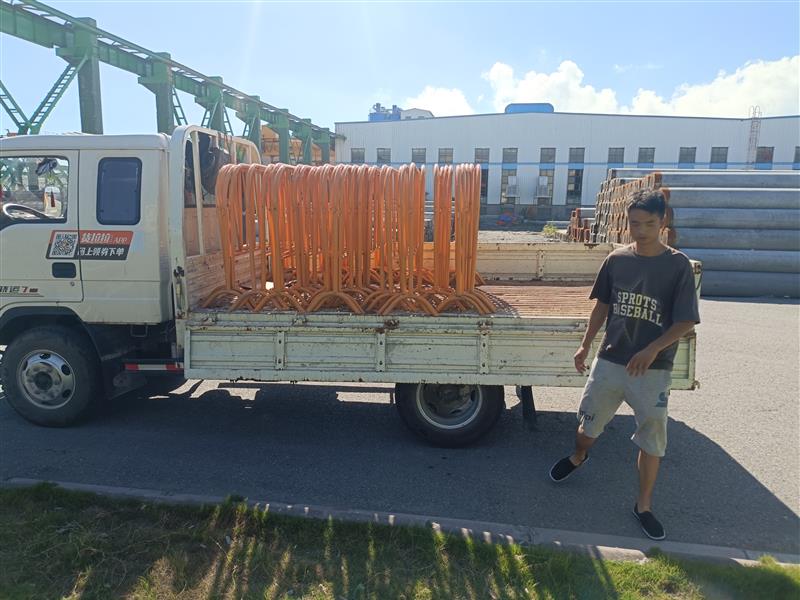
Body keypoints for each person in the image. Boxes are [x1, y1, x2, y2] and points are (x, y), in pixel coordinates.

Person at [548, 190, 700, 541]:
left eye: (649, 223)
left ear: (663, 221)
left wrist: (652, 349)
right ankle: (579, 456)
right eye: (635, 223)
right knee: (587, 429)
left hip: (653, 369)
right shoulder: (616, 260)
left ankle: (643, 506)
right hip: (611, 360)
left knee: (652, 440)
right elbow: (602, 306)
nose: (641, 231)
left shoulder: (677, 265)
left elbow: (685, 321)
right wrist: (585, 344)